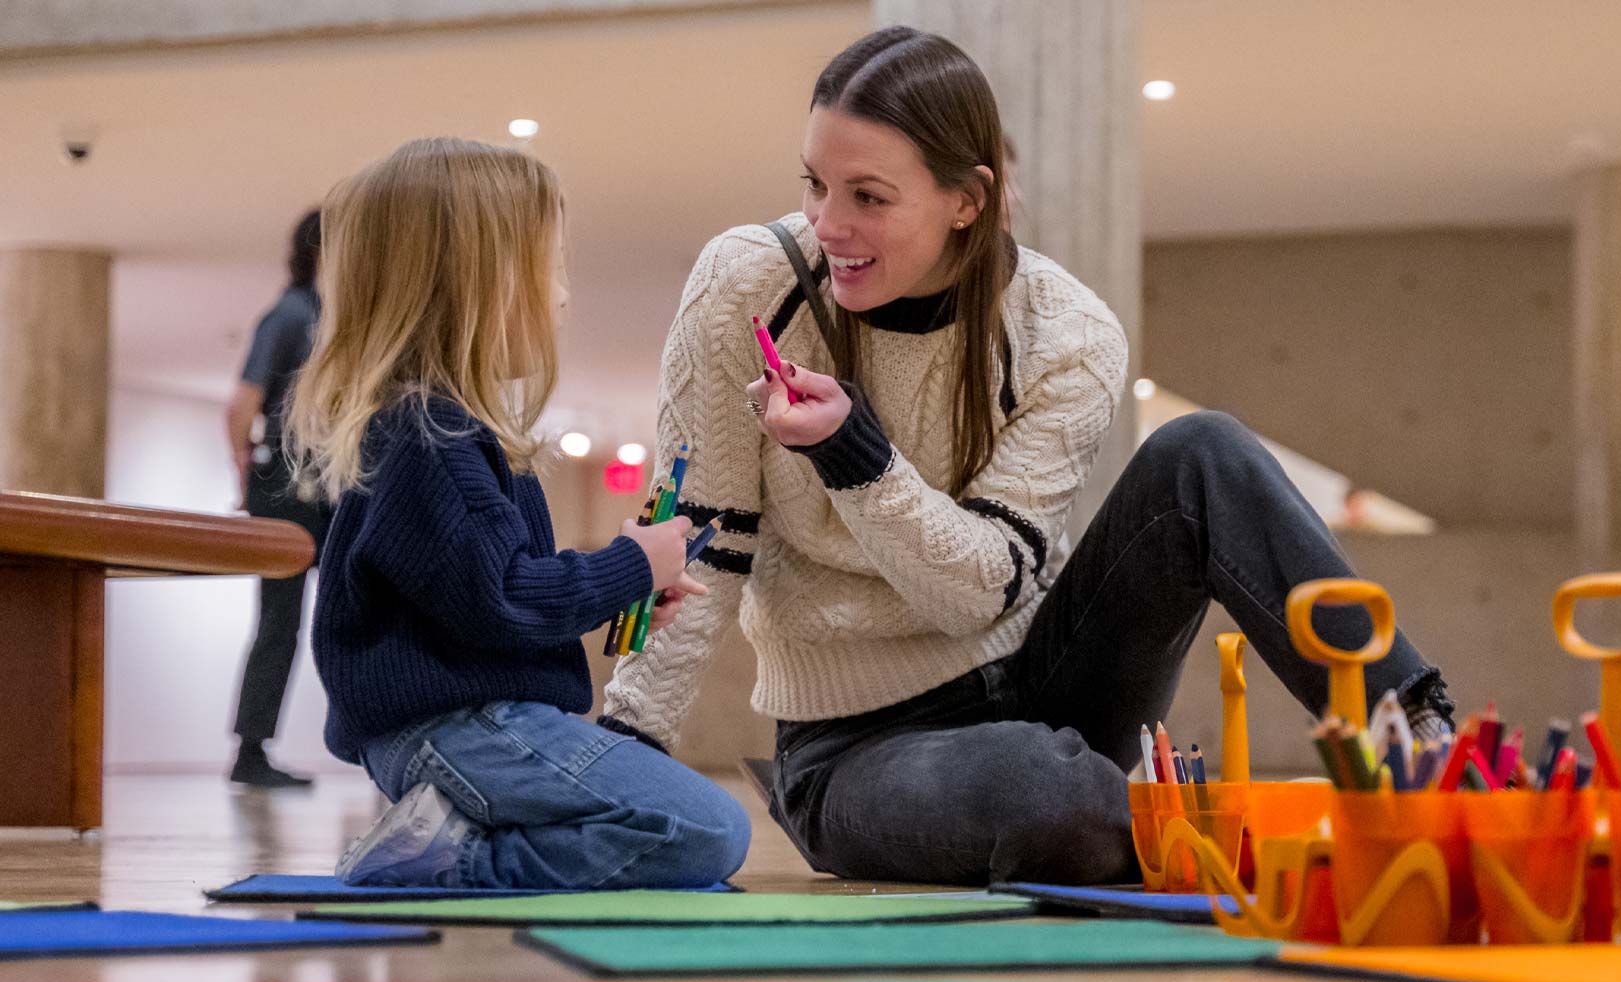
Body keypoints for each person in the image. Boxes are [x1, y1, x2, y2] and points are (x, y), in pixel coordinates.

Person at [605, 27, 1456, 887]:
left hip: (1037, 670)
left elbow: (978, 588)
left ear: (966, 200)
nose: (829, 224)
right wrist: (625, 742)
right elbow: (696, 539)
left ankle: (1424, 752)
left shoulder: (1069, 332)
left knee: (1205, 453)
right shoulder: (744, 282)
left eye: (868, 196)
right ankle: (1162, 830)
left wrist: (854, 455)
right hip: (852, 747)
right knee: (1054, 798)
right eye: (815, 183)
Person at [285, 137, 749, 888]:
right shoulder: (431, 438)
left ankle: (447, 841)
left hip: (465, 727)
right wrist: (631, 564)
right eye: (550, 268)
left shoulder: (443, 433)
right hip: (459, 728)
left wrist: (618, 582)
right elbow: (505, 599)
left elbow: (490, 592)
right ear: (473, 286)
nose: (564, 294)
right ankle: (445, 864)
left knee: (690, 828)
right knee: (707, 828)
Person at [224, 209, 331, 789]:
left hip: (322, 482)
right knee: (281, 619)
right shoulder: (292, 314)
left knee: (333, 612)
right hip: (291, 485)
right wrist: (247, 481)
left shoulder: (320, 316)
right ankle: (250, 751)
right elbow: (242, 404)